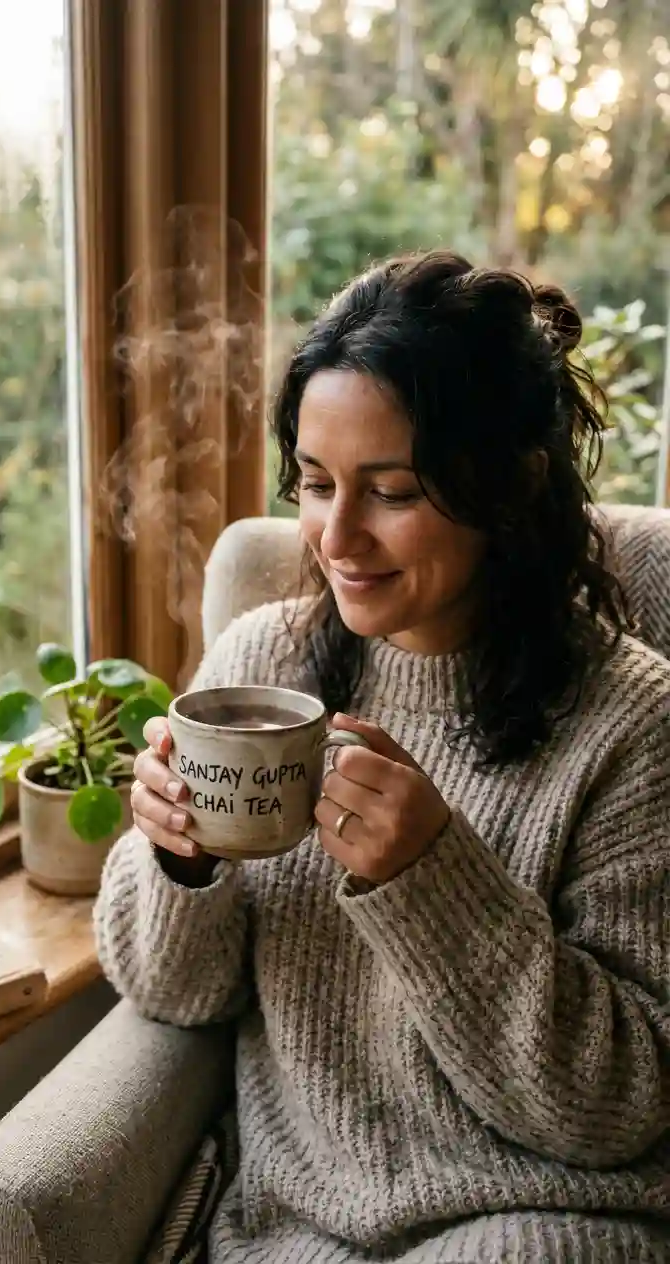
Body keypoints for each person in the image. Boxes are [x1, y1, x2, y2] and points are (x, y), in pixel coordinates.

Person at [95, 251, 670, 1262]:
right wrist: (179, 859)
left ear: (509, 486)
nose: (336, 536)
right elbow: (177, 996)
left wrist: (431, 878)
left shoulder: (631, 722)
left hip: (543, 1218)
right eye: (315, 484)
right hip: (302, 1220)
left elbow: (619, 1104)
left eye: (392, 490)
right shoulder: (258, 663)